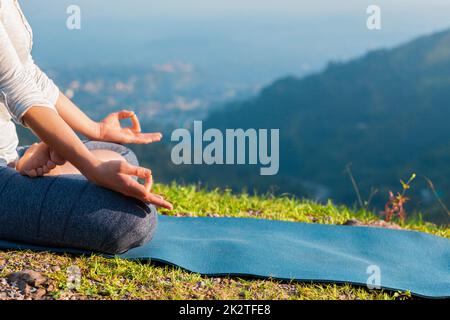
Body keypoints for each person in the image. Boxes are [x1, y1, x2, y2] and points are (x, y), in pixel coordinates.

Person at [0, 0, 172, 254]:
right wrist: (92, 168)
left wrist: (96, 131)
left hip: (6, 155)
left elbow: (26, 72)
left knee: (119, 154)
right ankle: (27, 173)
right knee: (130, 220)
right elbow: (15, 87)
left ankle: (23, 170)